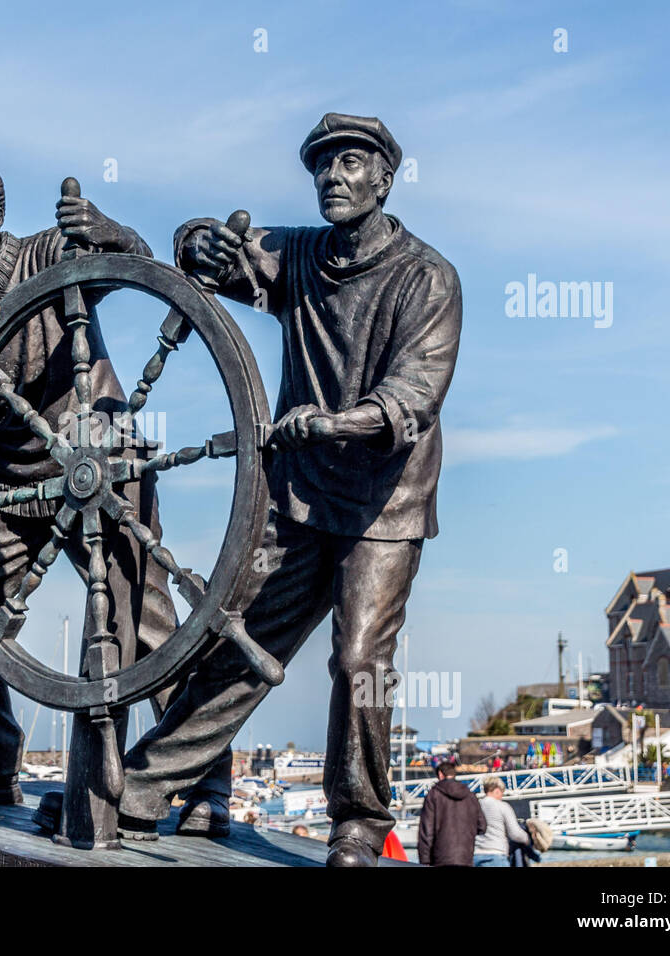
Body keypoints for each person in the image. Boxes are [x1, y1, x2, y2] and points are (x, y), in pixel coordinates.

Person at [114, 112, 462, 867]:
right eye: (321, 167)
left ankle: (360, 823)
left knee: (360, 657)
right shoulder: (299, 253)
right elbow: (213, 257)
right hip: (303, 494)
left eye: (349, 164)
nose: (332, 178)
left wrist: (339, 423)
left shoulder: (427, 278)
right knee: (243, 635)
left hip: (385, 505)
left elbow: (413, 394)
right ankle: (149, 783)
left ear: (385, 178)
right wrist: (198, 239)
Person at [0, 158, 228, 833]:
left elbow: (142, 265)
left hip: (103, 467)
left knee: (148, 623)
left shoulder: (47, 254)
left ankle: (204, 781)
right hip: (16, 488)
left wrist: (111, 230)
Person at [417, 761, 484, 866]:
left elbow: (426, 830)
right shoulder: (470, 796)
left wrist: (424, 860)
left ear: (440, 774)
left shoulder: (434, 795)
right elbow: (482, 826)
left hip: (441, 857)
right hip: (465, 857)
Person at [473, 776, 530, 866]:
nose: (501, 797)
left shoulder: (475, 806)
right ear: (497, 790)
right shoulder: (502, 806)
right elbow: (515, 834)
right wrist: (527, 839)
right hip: (496, 854)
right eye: (501, 793)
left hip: (475, 855)